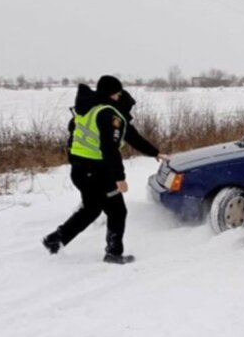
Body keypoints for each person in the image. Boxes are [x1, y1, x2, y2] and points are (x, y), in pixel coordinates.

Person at [42, 75, 169, 264]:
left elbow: (131, 136)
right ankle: (113, 253)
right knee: (118, 211)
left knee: (91, 209)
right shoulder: (108, 114)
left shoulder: (89, 109)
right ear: (111, 94)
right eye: (118, 93)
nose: (120, 96)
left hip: (80, 170)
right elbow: (109, 148)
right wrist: (120, 178)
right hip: (98, 172)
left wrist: (155, 153)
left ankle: (55, 240)